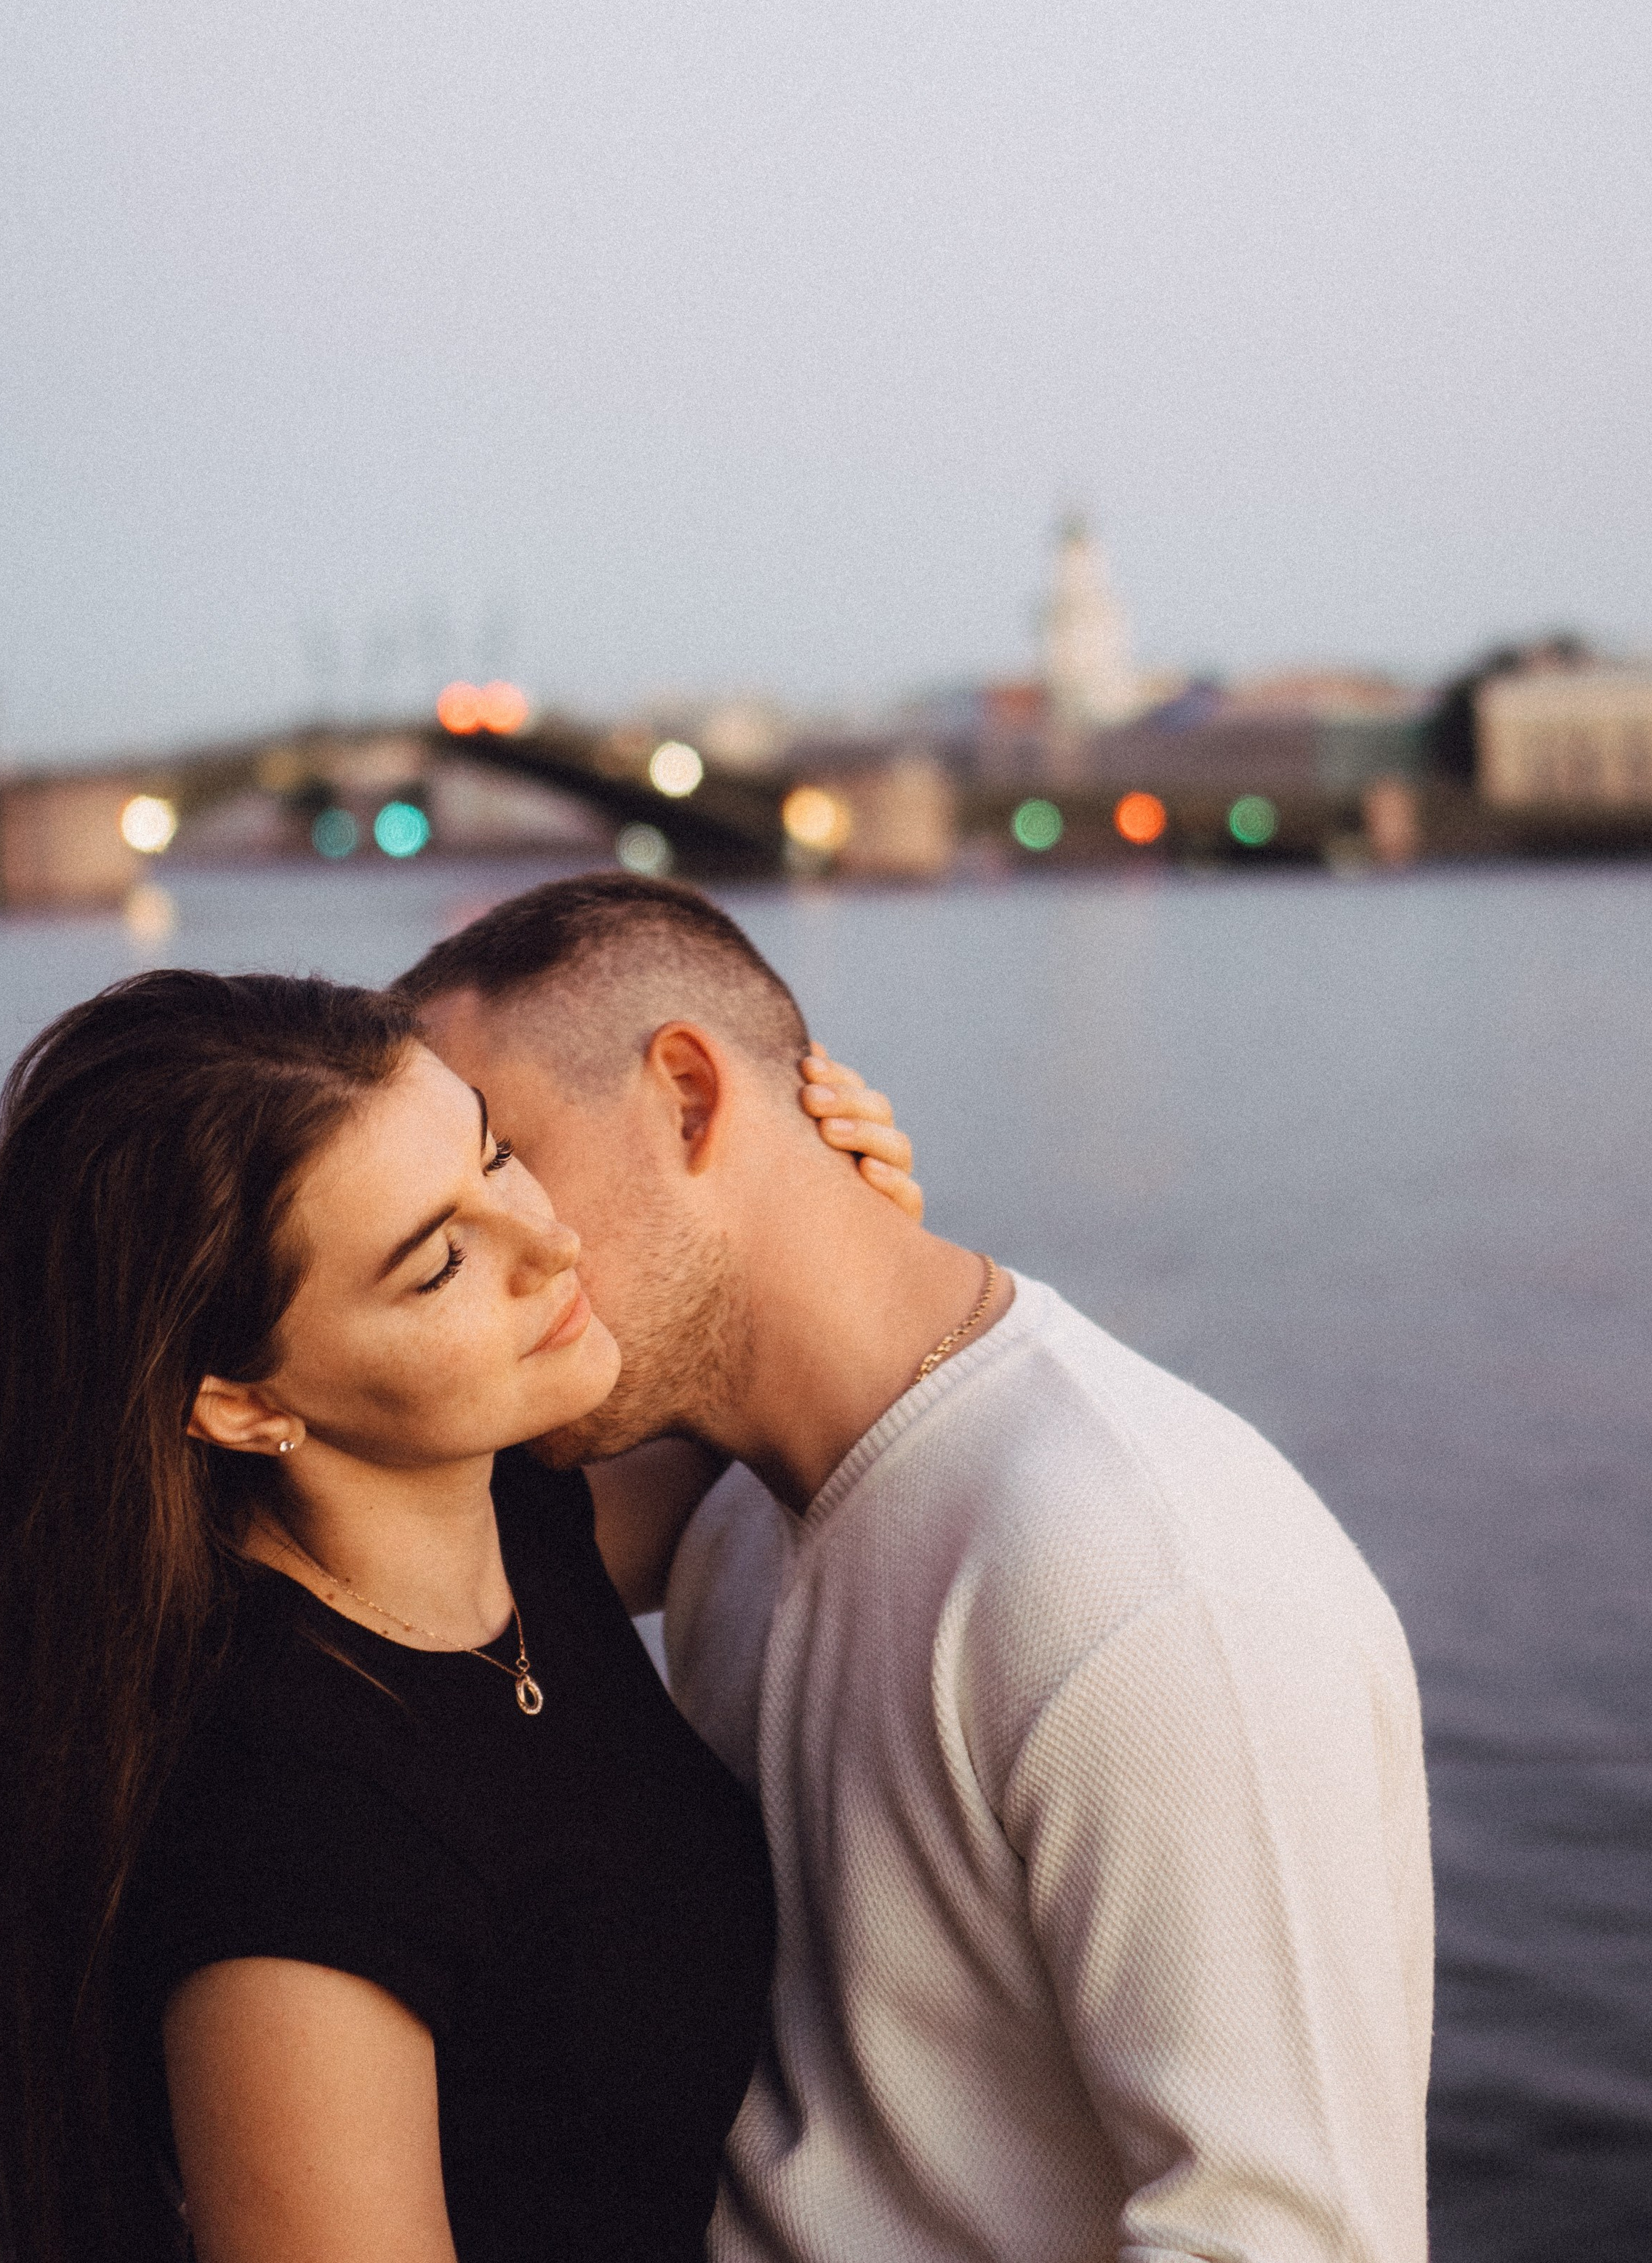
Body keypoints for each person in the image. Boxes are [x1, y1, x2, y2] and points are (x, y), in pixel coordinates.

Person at [406, 873, 1436, 2263]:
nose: (489, 1255)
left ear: (692, 1100)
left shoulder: (1145, 1574)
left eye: (508, 1159)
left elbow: (1288, 2241)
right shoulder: (736, 1502)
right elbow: (366, 1562)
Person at [0, 964, 915, 2263]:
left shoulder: (510, 1514)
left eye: (496, 1153)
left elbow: (752, 1412)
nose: (549, 1243)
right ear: (238, 1402)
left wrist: (825, 1218)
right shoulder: (290, 1838)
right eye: (442, 1262)